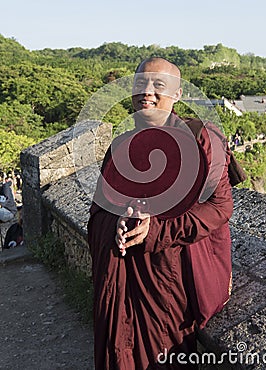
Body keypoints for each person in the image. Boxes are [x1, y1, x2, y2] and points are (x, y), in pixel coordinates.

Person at [88, 57, 234, 369]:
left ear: (178, 94)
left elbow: (220, 208)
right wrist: (114, 225)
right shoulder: (120, 147)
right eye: (141, 84)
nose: (147, 92)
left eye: (158, 85)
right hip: (128, 275)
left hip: (173, 279)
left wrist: (155, 231)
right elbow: (98, 213)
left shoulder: (202, 139)